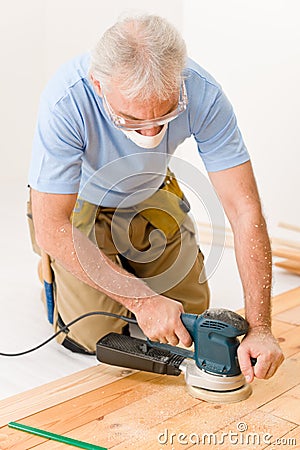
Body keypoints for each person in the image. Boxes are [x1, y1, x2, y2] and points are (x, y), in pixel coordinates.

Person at [28, 13, 283, 383]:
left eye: (164, 115)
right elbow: (52, 225)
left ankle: (126, 267)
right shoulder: (66, 101)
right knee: (92, 335)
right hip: (78, 206)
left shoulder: (201, 91)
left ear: (178, 80)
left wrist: (261, 327)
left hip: (149, 191)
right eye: (131, 119)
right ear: (99, 87)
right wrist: (142, 301)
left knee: (190, 316)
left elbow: (245, 211)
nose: (149, 131)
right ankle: (57, 276)